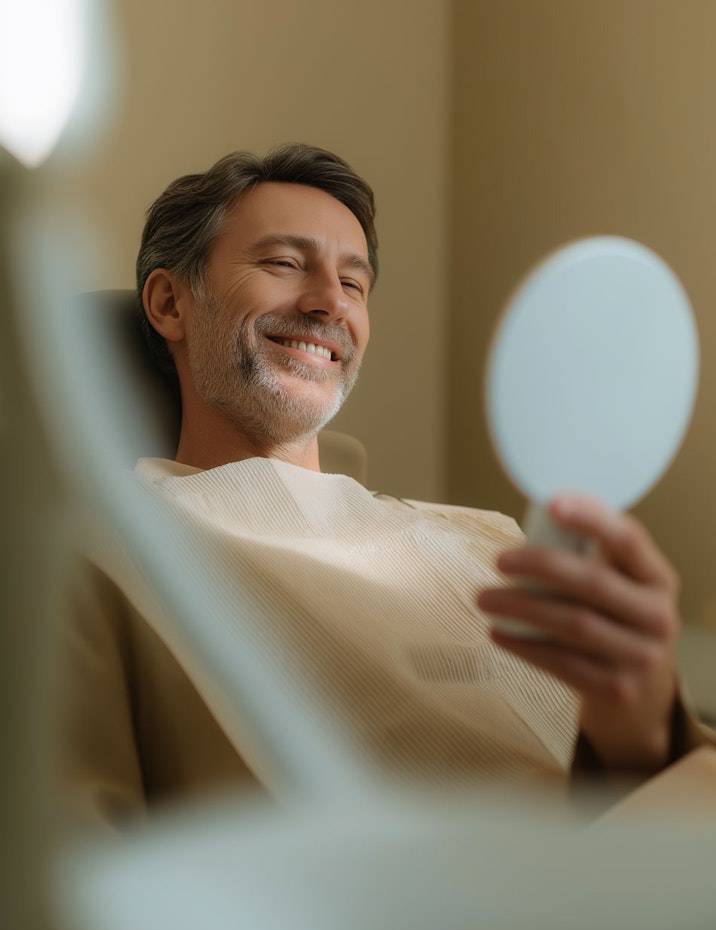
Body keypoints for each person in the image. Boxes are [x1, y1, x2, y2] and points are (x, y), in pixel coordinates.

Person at [59, 142, 713, 829]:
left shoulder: (489, 539)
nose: (328, 305)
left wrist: (641, 727)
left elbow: (633, 798)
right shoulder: (100, 557)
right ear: (169, 304)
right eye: (284, 264)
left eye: (354, 284)